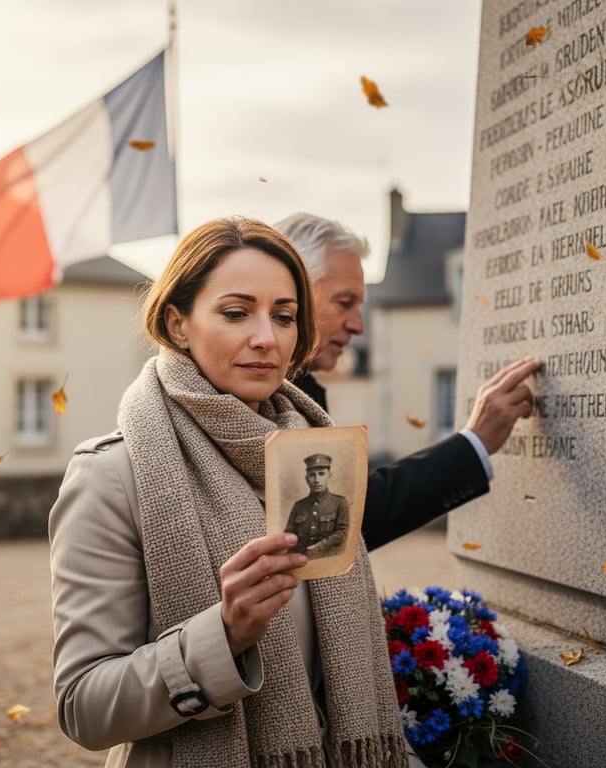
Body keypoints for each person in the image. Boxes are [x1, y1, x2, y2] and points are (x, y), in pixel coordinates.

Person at [49, 218, 412, 768]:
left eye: (284, 317)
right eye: (236, 313)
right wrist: (222, 634)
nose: (266, 337)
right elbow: (84, 707)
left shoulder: (315, 453)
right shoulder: (113, 475)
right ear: (177, 323)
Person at [274, 213, 541, 551]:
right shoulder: (260, 389)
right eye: (345, 303)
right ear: (293, 290)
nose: (359, 326)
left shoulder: (297, 386)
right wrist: (474, 442)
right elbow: (353, 521)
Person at [285, 453, 349, 558]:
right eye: (312, 475)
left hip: (329, 558)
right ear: (306, 478)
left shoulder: (339, 503)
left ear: (329, 475)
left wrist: (317, 548)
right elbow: (289, 535)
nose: (316, 480)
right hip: (300, 560)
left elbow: (342, 533)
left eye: (321, 474)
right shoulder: (299, 506)